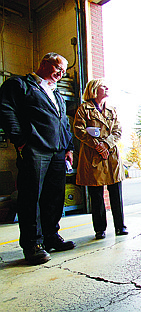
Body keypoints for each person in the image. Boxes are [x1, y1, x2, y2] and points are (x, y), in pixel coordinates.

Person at [0, 52, 76, 265]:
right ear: (44, 64)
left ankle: (51, 236)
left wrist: (68, 147)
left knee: (54, 196)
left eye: (63, 71)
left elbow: (64, 124)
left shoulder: (57, 95)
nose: (60, 74)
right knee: (31, 197)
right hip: (34, 149)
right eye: (57, 68)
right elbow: (6, 110)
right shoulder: (20, 84)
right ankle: (33, 244)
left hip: (58, 152)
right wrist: (20, 140)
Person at [73, 79, 128, 239]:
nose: (107, 88)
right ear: (94, 89)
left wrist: (106, 144)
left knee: (116, 193)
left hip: (111, 155)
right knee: (96, 195)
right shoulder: (84, 109)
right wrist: (97, 146)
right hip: (92, 155)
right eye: (104, 86)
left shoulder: (112, 109)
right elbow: (78, 130)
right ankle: (99, 229)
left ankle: (120, 226)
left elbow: (118, 130)